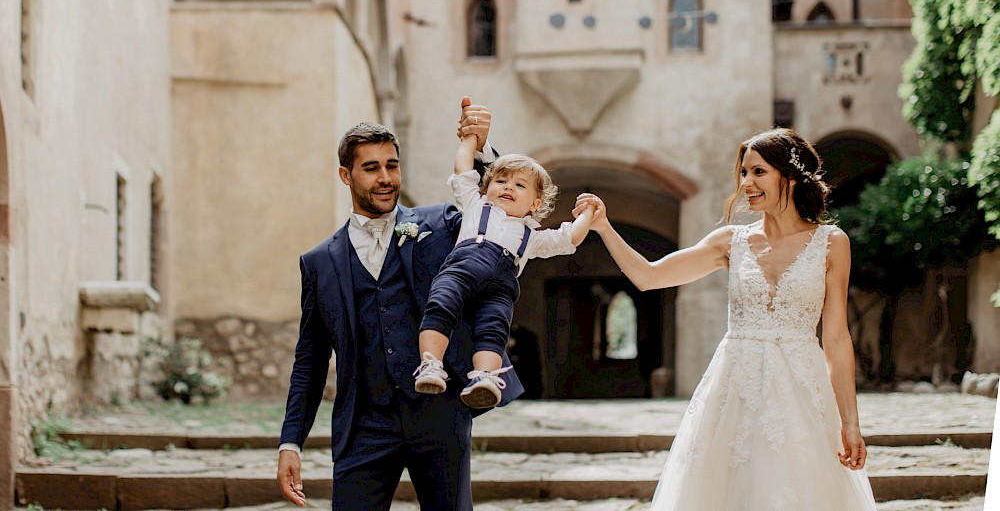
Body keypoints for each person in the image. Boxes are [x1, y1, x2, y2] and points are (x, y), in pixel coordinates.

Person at [574, 128, 877, 510]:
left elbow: (836, 338)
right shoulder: (729, 241)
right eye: (743, 174)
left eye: (758, 172)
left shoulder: (832, 243)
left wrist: (850, 422)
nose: (746, 183)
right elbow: (649, 276)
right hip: (735, 390)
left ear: (791, 175)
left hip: (802, 392)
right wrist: (604, 227)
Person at [276, 97, 523, 511]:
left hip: (439, 416)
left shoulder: (440, 225)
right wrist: (290, 442)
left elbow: (490, 206)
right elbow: (311, 359)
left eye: (392, 165)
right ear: (345, 175)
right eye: (371, 168)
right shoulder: (319, 263)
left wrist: (477, 147)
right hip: (363, 428)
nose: (386, 177)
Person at [412, 134, 594, 409]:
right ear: (486, 188)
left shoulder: (531, 236)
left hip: (499, 291)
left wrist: (588, 213)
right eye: (500, 181)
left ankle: (484, 378)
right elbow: (463, 168)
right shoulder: (475, 205)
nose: (508, 187)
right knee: (440, 307)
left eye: (520, 185)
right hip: (461, 271)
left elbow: (568, 238)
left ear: (535, 203)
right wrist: (470, 140)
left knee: (494, 330)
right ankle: (431, 365)